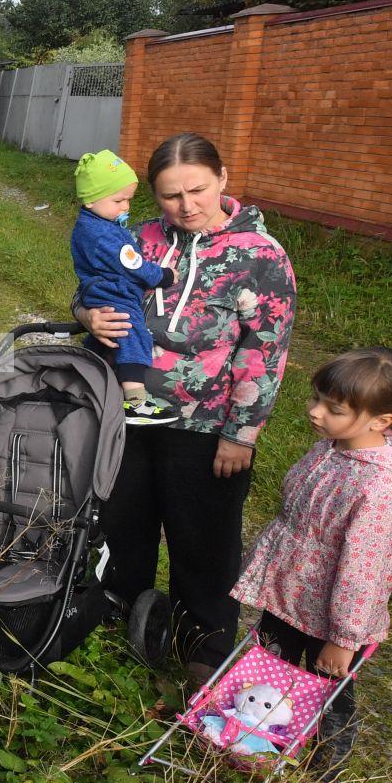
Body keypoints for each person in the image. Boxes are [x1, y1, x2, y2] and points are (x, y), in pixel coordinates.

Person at [76, 133, 297, 683]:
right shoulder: (140, 237)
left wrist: (240, 434)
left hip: (203, 426)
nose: (186, 206)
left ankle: (205, 643)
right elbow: (95, 284)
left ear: (222, 179)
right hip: (122, 413)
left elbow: (263, 352)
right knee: (121, 522)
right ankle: (123, 618)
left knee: (204, 537)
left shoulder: (259, 258)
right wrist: (84, 315)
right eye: (170, 196)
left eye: (197, 189)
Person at [231, 347, 392, 778]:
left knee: (327, 694)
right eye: (316, 399)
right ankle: (256, 745)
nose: (315, 412)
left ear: (380, 421)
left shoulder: (380, 490)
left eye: (334, 408)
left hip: (334, 619)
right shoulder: (330, 451)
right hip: (291, 599)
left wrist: (344, 639)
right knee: (268, 675)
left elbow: (365, 573)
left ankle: (324, 776)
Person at [69, 149, 178, 424]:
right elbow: (135, 266)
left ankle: (80, 379)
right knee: (131, 334)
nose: (126, 207)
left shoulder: (92, 224)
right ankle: (136, 400)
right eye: (119, 200)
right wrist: (164, 276)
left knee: (104, 337)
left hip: (99, 289)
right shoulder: (103, 234)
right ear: (92, 200)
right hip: (117, 291)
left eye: (129, 199)